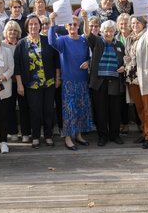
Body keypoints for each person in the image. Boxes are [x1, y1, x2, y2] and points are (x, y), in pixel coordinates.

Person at [48, 13, 93, 151]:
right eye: (70, 25)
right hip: (69, 82)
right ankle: (67, 137)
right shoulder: (62, 40)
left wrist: (89, 62)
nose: (72, 27)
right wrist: (52, 22)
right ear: (66, 27)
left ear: (78, 26)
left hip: (82, 81)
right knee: (69, 111)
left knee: (81, 109)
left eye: (74, 24)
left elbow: (91, 56)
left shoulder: (84, 40)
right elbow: (51, 41)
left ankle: (78, 135)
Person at [14, 15, 60, 148]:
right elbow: (17, 66)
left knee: (48, 110)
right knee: (34, 111)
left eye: (36, 24)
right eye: (31, 24)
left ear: (40, 26)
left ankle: (48, 135)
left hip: (49, 83)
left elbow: (56, 61)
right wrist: (20, 84)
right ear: (27, 27)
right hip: (31, 84)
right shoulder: (21, 44)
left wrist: (58, 78)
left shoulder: (47, 41)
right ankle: (35, 136)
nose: (33, 26)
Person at [83, 11, 125, 146]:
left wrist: (124, 66)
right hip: (99, 82)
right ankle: (103, 136)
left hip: (114, 81)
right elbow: (88, 34)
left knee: (115, 110)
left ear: (115, 32)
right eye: (106, 31)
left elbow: (124, 60)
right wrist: (85, 18)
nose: (108, 33)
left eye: (111, 31)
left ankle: (115, 135)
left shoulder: (119, 45)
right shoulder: (97, 42)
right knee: (100, 110)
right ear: (101, 31)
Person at [124, 14, 148, 149]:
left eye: (138, 23)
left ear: (143, 24)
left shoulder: (147, 36)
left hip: (146, 78)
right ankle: (144, 131)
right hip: (133, 79)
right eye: (133, 23)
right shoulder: (130, 38)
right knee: (140, 109)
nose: (135, 25)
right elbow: (130, 56)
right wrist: (127, 60)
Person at [3, 21, 31, 143]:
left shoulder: (23, 44)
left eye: (15, 30)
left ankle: (26, 132)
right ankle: (13, 132)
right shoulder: (2, 45)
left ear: (18, 32)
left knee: (24, 107)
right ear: (6, 32)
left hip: (22, 81)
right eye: (10, 30)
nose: (12, 33)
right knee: (9, 107)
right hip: (8, 81)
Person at [115, 13, 133, 135]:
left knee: (136, 100)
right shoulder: (115, 38)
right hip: (119, 75)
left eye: (126, 23)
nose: (123, 26)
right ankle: (124, 124)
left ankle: (140, 124)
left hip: (133, 73)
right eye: (121, 23)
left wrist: (126, 67)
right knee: (121, 101)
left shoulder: (134, 37)